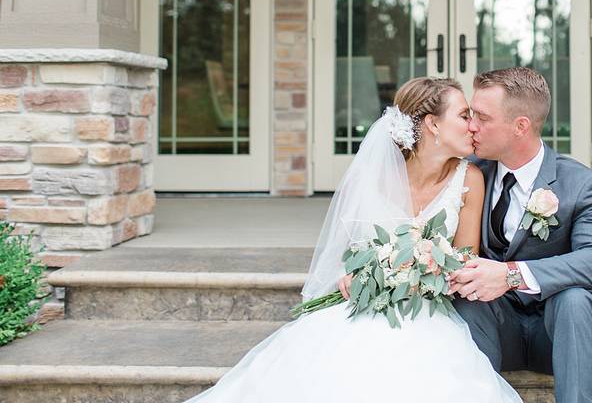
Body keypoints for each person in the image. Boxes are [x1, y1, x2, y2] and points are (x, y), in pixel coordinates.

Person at [182, 77, 521, 403]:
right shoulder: (377, 175)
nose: (472, 125)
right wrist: (358, 273)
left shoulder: (469, 178)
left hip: (429, 308)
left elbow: (464, 260)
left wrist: (419, 271)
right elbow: (352, 249)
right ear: (432, 124)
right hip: (367, 300)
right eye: (464, 116)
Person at [450, 67, 592, 403]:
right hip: (495, 328)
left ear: (520, 126)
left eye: (482, 118)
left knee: (576, 299)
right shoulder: (467, 173)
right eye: (470, 115)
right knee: (465, 298)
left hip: (559, 335)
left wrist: (511, 275)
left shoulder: (582, 185)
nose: (471, 126)